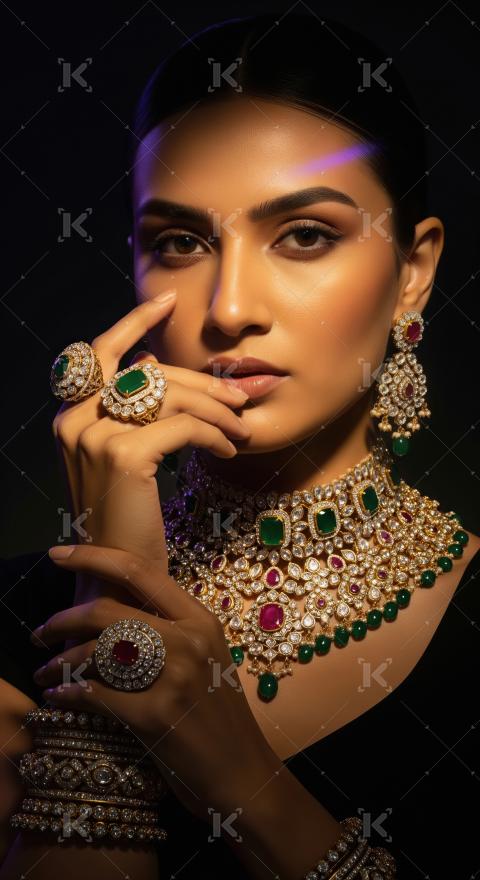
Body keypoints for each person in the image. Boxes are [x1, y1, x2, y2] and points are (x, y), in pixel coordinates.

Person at [1, 11, 479, 880]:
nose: (228, 308)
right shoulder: (16, 621)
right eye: (180, 243)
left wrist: (236, 777)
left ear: (414, 272)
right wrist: (112, 569)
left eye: (304, 236)